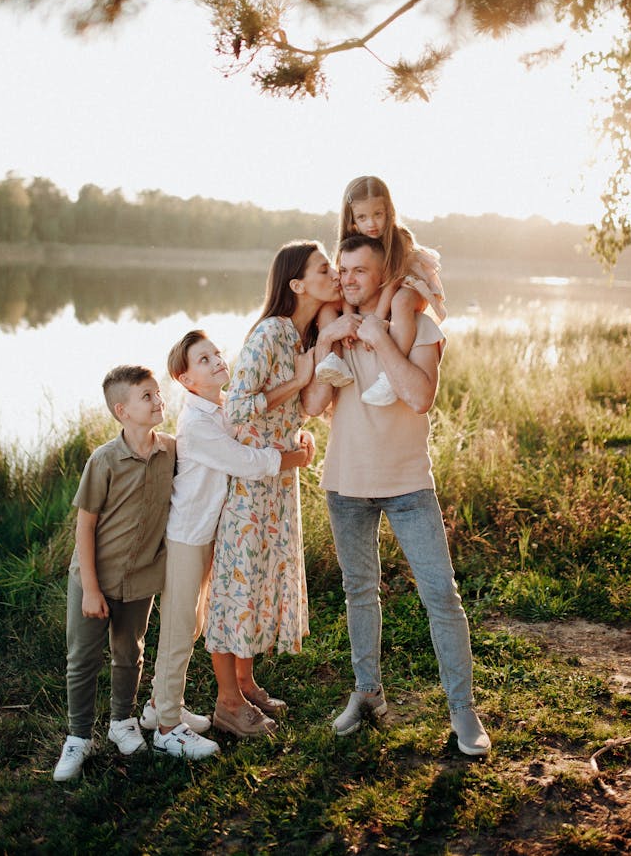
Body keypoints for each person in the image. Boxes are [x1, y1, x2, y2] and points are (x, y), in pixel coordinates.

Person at [303, 235, 490, 756]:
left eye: (360, 270)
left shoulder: (420, 326)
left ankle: (463, 711)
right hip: (345, 484)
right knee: (359, 592)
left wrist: (379, 340)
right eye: (343, 270)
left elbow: (419, 396)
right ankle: (368, 695)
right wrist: (327, 344)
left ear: (384, 273)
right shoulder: (332, 328)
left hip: (409, 485)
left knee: (441, 596)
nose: (348, 279)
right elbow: (313, 404)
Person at [140, 329, 315, 759]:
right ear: (185, 379)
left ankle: (160, 706)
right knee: (180, 628)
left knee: (195, 622)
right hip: (187, 536)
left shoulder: (220, 409)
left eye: (217, 353)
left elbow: (252, 433)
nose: (218, 360)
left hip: (209, 534)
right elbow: (246, 462)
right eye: (204, 360)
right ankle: (166, 728)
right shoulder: (197, 423)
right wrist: (295, 459)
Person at [204, 240, 339, 736]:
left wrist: (298, 432)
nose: (335, 274)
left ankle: (247, 683)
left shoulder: (300, 335)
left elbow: (288, 408)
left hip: (278, 481)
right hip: (249, 487)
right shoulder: (269, 333)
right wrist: (297, 379)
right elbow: (236, 409)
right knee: (236, 587)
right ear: (297, 284)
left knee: (259, 581)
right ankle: (226, 703)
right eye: (325, 269)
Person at [53, 365, 176, 782]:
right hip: (94, 577)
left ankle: (121, 722)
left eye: (158, 393)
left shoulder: (172, 451)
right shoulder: (103, 460)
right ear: (122, 410)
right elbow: (85, 525)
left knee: (130, 652)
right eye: (147, 396)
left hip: (141, 577)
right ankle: (79, 736)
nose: (159, 400)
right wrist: (90, 589)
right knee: (83, 659)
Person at [316, 174, 447, 407]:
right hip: (387, 288)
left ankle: (389, 377)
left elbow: (393, 283)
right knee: (329, 306)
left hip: (407, 283)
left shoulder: (399, 238)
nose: (371, 224)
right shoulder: (352, 242)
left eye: (378, 214)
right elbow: (346, 285)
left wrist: (376, 320)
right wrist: (348, 316)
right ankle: (332, 360)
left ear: (389, 211)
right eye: (363, 217)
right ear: (352, 219)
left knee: (402, 302)